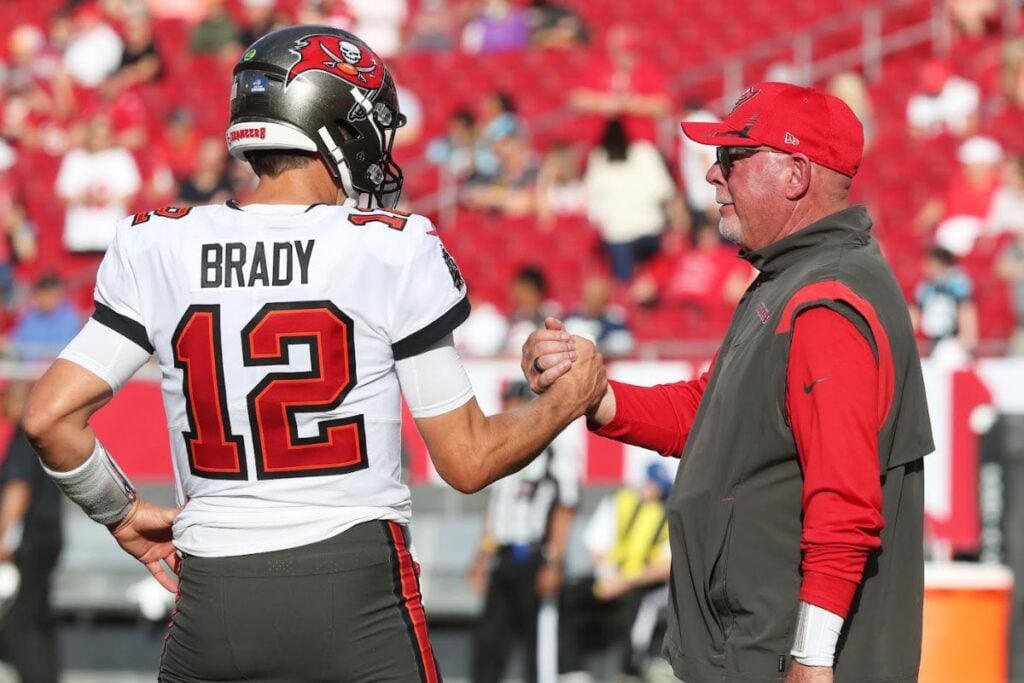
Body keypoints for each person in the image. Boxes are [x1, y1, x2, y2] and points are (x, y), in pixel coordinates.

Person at [20, 25, 607, 683]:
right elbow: (469, 458)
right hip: (358, 592)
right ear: (337, 126)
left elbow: (49, 417)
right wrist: (567, 399)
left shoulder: (161, 244)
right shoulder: (390, 246)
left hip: (211, 599)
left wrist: (121, 511)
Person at [523, 82, 934, 683]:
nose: (713, 176)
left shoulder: (825, 302)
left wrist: (812, 661)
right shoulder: (788, 280)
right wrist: (593, 393)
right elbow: (713, 414)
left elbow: (845, 507)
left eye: (733, 159)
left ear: (795, 174)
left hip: (780, 661)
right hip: (748, 653)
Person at [467, 380, 580, 683]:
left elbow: (565, 508)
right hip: (502, 556)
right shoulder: (500, 455)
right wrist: (481, 557)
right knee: (489, 643)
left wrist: (555, 562)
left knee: (537, 646)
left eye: (513, 403)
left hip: (534, 557)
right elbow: (495, 511)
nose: (506, 410)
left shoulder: (553, 450)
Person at [559, 462, 672, 682]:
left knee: (641, 604)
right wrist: (608, 576)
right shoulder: (620, 500)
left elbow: (665, 568)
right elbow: (595, 546)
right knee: (570, 593)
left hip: (642, 583)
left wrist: (626, 581)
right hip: (610, 577)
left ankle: (629, 670)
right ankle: (571, 669)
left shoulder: (668, 514)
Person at [0, 380, 63, 683]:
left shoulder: (23, 437)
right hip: (51, 533)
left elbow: (18, 488)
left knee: (20, 623)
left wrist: (4, 536)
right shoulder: (43, 439)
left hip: (32, 537)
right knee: (38, 616)